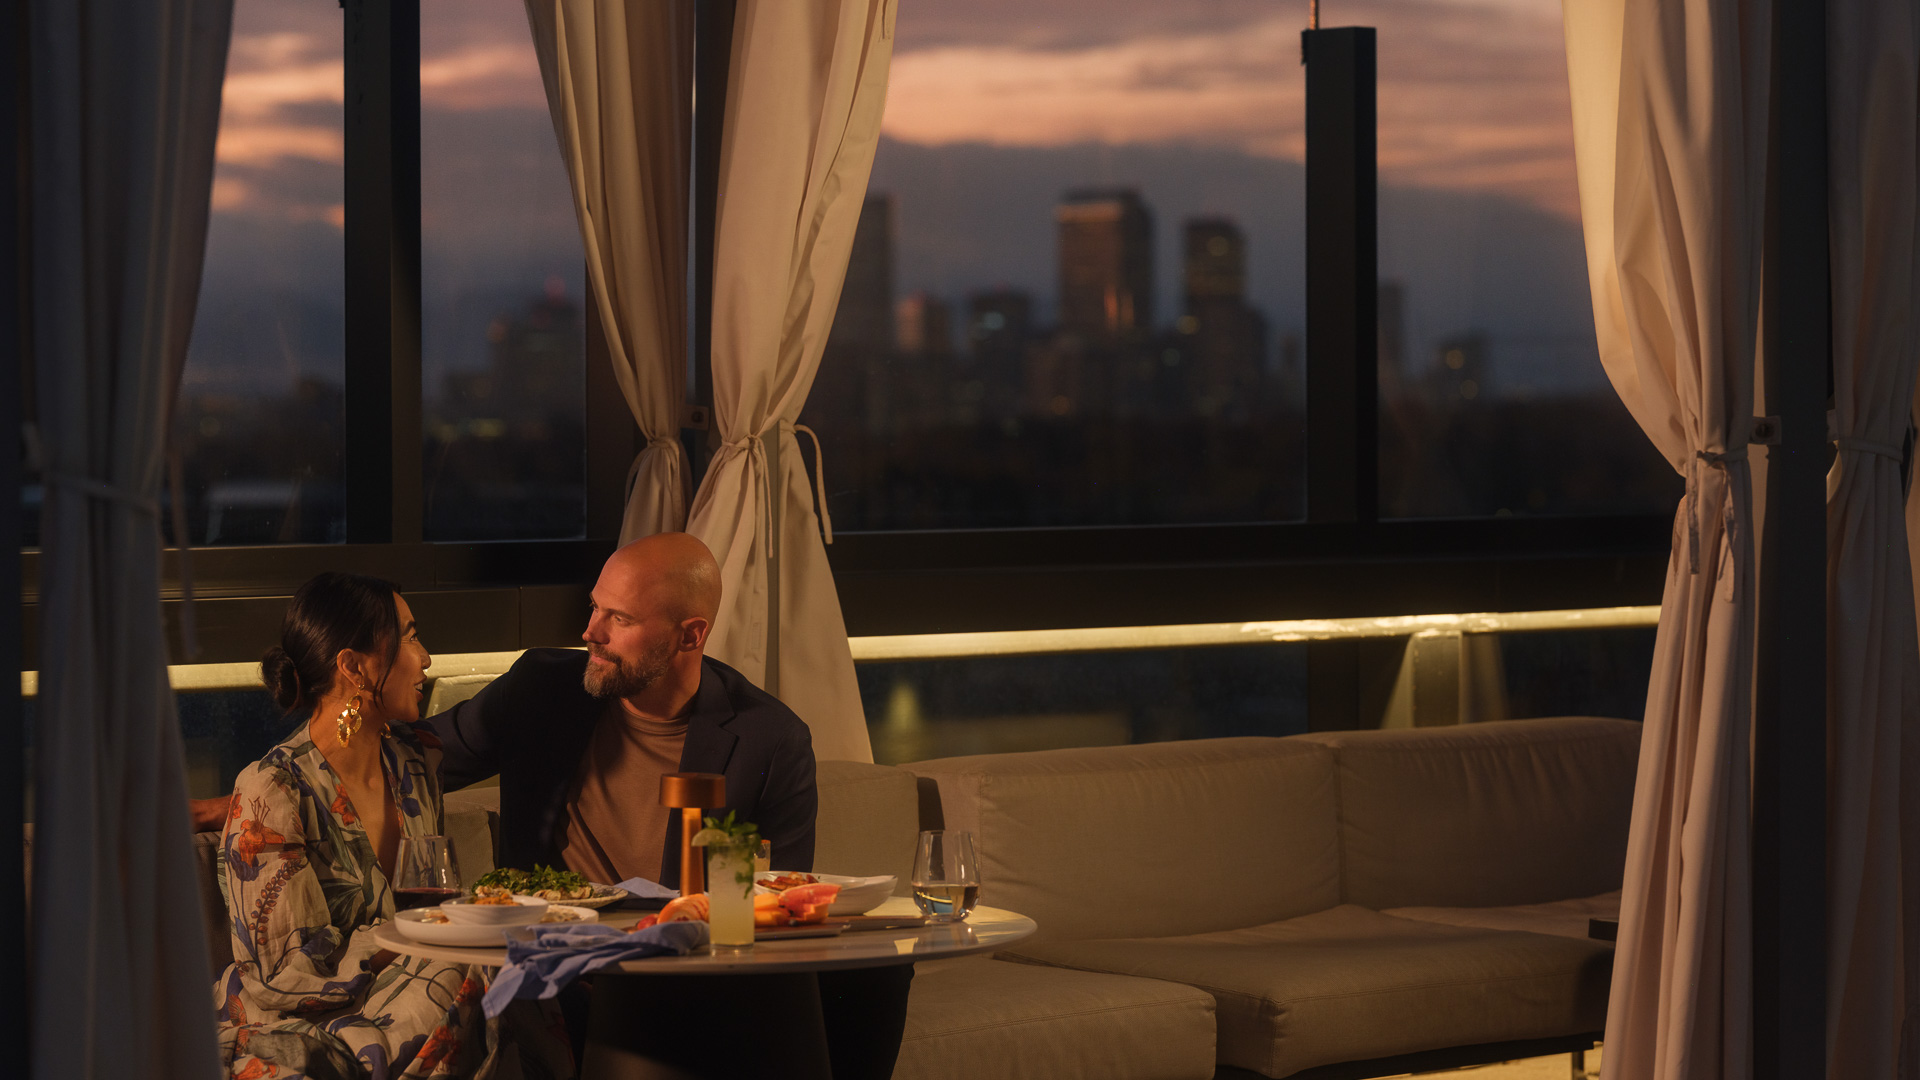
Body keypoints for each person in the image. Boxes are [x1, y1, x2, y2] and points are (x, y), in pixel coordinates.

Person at [214, 572, 572, 1080]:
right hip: (306, 1017)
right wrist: (421, 939)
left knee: (518, 961)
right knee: (466, 970)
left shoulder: (418, 762)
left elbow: (430, 901)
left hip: (420, 987)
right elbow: (281, 976)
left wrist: (462, 926)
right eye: (408, 636)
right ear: (354, 666)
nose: (426, 657)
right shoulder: (271, 790)